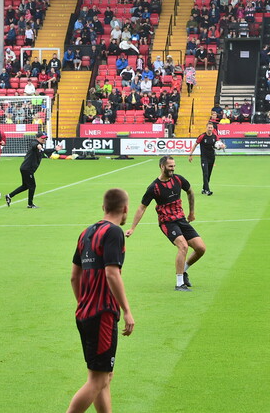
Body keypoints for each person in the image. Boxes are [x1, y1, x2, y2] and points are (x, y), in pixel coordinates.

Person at [67, 188, 135, 413]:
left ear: (103, 207)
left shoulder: (86, 233)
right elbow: (111, 273)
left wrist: (83, 303)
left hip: (85, 313)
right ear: (125, 209)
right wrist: (127, 310)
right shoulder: (114, 232)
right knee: (98, 380)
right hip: (102, 315)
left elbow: (74, 276)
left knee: (104, 375)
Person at [125, 155, 206, 291]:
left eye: (174, 166)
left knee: (200, 248)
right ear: (162, 167)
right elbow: (142, 208)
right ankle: (179, 284)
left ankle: (183, 270)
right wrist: (132, 228)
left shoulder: (178, 179)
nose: (172, 169)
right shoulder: (154, 187)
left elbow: (190, 192)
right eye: (170, 166)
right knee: (183, 246)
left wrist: (192, 212)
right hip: (167, 223)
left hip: (181, 219)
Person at [6, 131, 47, 208]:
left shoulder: (41, 147)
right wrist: (38, 146)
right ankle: (30, 204)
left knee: (25, 186)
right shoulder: (34, 143)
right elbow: (35, 145)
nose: (44, 140)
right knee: (32, 186)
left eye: (45, 138)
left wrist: (55, 149)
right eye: (42, 138)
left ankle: (9, 195)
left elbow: (45, 152)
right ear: (37, 138)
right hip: (27, 169)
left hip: (26, 168)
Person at [188, 122, 219, 195]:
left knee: (208, 174)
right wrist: (190, 154)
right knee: (205, 173)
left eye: (211, 128)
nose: (210, 129)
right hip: (204, 158)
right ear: (206, 128)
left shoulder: (215, 136)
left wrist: (222, 146)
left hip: (212, 158)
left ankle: (204, 189)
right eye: (209, 127)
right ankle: (207, 190)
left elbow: (219, 144)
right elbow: (195, 145)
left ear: (213, 128)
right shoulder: (202, 136)